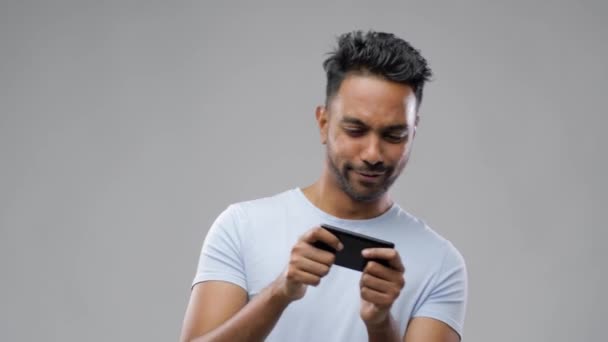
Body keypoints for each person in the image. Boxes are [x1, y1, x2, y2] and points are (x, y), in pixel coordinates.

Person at [180, 30, 468, 342]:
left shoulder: (440, 263)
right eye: (355, 130)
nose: (373, 154)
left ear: (414, 132)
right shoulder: (240, 227)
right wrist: (280, 292)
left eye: (393, 135)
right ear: (323, 123)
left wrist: (380, 322)